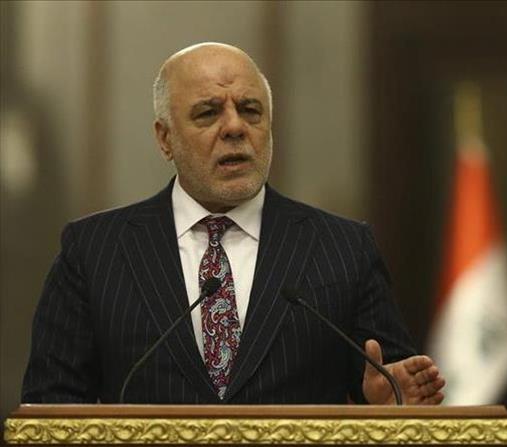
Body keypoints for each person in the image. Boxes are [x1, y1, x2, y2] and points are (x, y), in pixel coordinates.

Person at [20, 43, 445, 405]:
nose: (235, 127)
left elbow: (392, 386)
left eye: (250, 110)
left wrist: (389, 405)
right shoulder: (93, 252)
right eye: (208, 113)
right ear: (165, 138)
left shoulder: (343, 248)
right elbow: (50, 409)